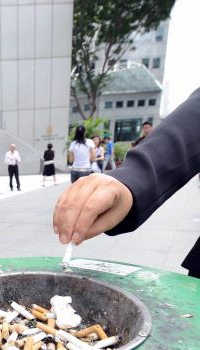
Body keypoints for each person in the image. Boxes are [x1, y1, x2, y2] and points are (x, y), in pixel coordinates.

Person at [53, 87, 200, 279]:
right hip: (87, 169)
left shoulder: (75, 144)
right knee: (85, 201)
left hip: (77, 170)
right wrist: (130, 179)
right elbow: (191, 124)